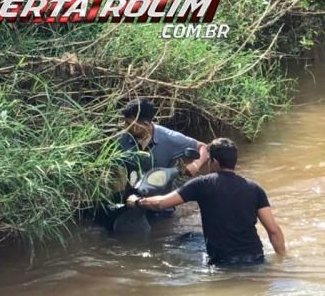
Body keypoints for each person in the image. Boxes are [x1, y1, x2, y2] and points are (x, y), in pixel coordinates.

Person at [127, 137, 286, 266]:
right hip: (256, 258)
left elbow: (161, 203)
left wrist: (136, 201)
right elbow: (274, 231)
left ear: (215, 162)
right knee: (192, 237)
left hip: (223, 263)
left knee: (186, 239)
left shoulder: (202, 184)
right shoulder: (254, 188)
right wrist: (282, 261)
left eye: (209, 160)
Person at [118, 98, 209, 176]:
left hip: (161, 195)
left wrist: (196, 165)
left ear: (145, 124)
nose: (124, 126)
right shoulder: (120, 138)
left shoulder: (170, 138)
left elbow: (203, 147)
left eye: (129, 123)